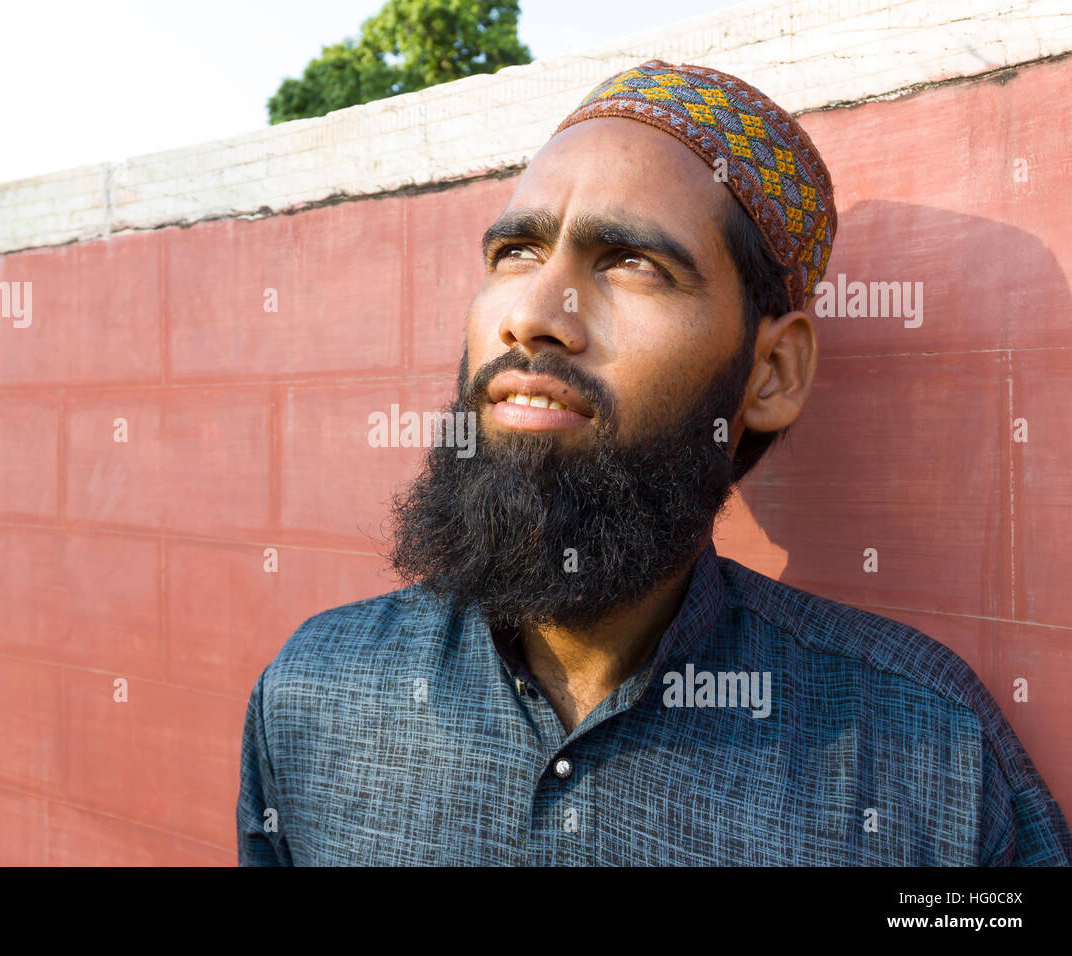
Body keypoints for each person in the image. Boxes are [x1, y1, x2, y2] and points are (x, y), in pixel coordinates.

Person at [236, 59, 1072, 865]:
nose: (531, 314)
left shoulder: (927, 755)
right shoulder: (314, 693)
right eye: (516, 252)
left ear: (770, 373)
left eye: (633, 262)